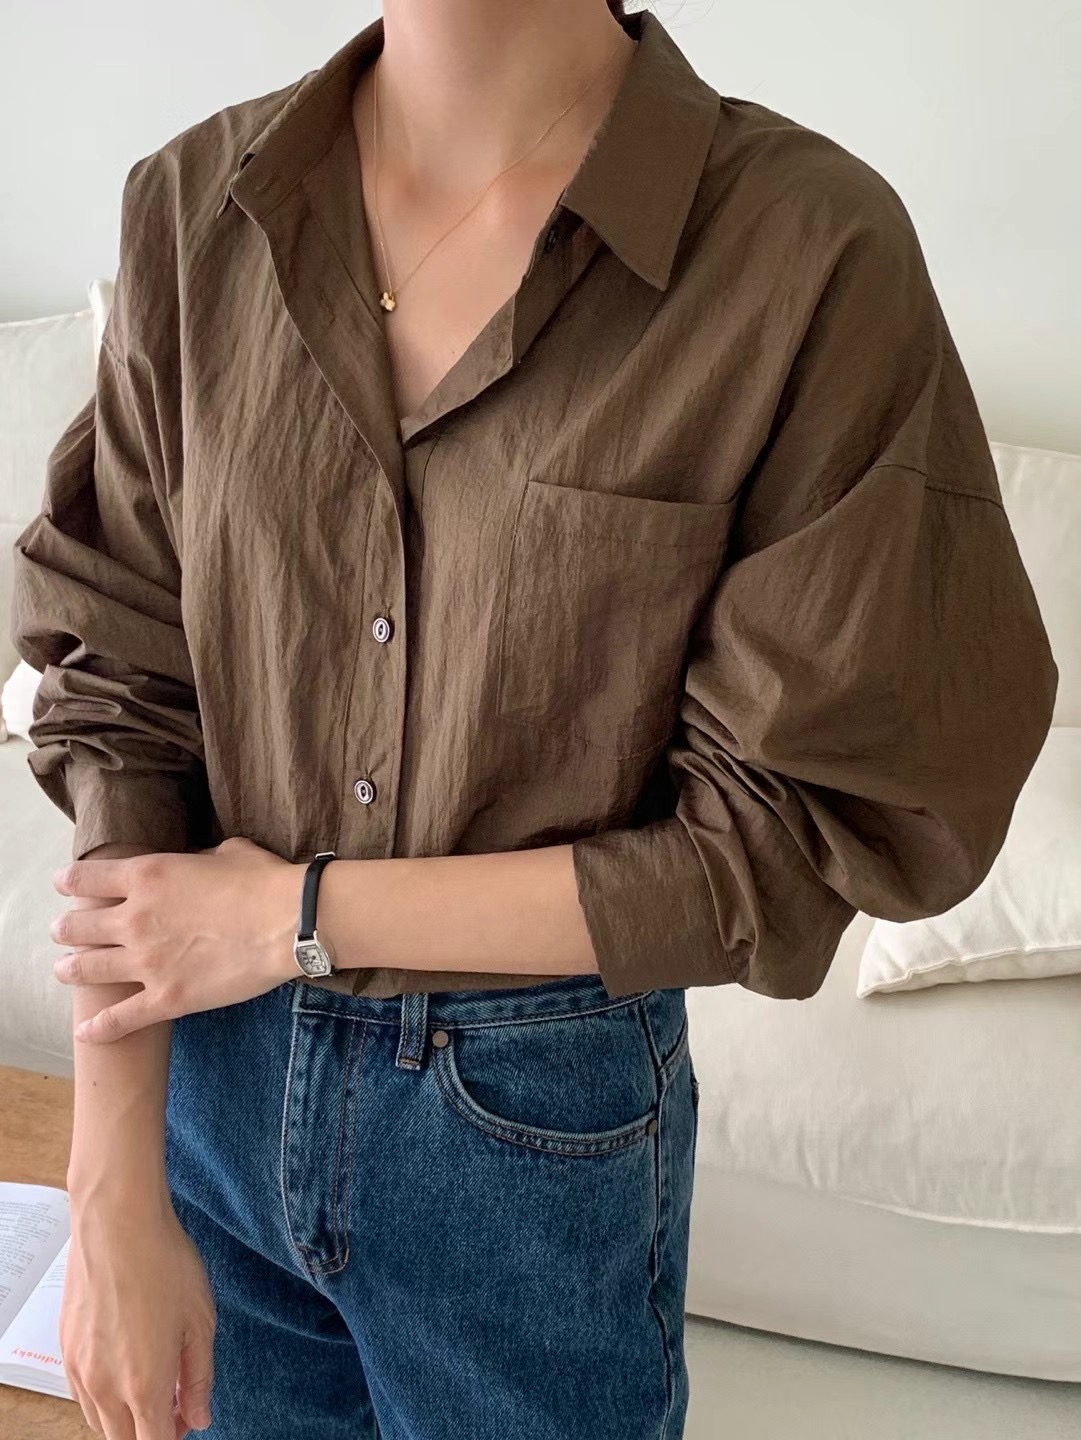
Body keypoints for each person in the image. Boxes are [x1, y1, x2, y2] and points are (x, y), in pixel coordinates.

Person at [10, 0, 1058, 1437]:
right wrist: (110, 1183)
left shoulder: (805, 250)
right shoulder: (197, 205)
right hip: (208, 1077)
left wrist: (293, 917)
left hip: (530, 1127)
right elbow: (124, 696)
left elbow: (785, 839)